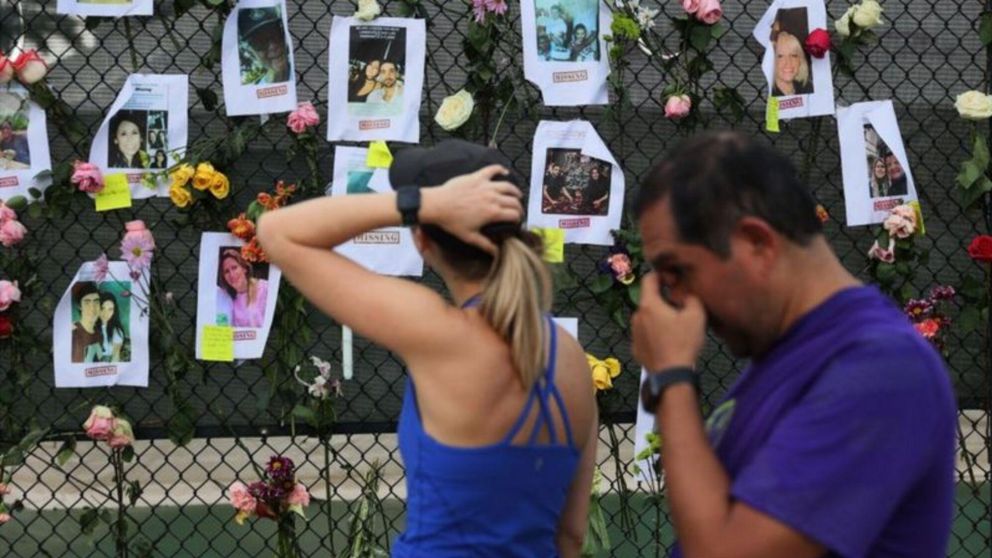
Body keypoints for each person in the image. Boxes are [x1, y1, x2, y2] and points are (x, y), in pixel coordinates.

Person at [256, 139, 597, 557]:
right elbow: (570, 536)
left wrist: (422, 203)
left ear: (422, 240)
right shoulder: (569, 356)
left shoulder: (442, 334)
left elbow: (277, 232)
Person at [630, 131, 955, 558]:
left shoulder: (883, 368)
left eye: (678, 271)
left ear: (757, 243)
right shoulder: (792, 353)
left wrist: (671, 376)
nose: (673, 298)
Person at [218, 249, 268, 328]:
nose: (232, 274)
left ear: (244, 268)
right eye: (226, 271)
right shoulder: (230, 301)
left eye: (234, 268)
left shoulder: (264, 287)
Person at [241, 9, 291, 84]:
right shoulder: (255, 88)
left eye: (276, 33)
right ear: (251, 53)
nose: (272, 47)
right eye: (259, 41)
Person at [71, 282, 104, 364]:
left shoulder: (100, 335)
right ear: (79, 306)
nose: (92, 308)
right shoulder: (72, 332)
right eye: (87, 303)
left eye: (96, 302)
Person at [771, 31, 813, 96]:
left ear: (800, 60)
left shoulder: (809, 89)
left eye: (793, 55)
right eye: (780, 56)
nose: (788, 62)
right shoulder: (769, 94)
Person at [98, 291, 126, 363]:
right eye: (102, 308)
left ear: (114, 311)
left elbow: (115, 356)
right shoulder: (90, 326)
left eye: (110, 309)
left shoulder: (116, 331)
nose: (105, 313)